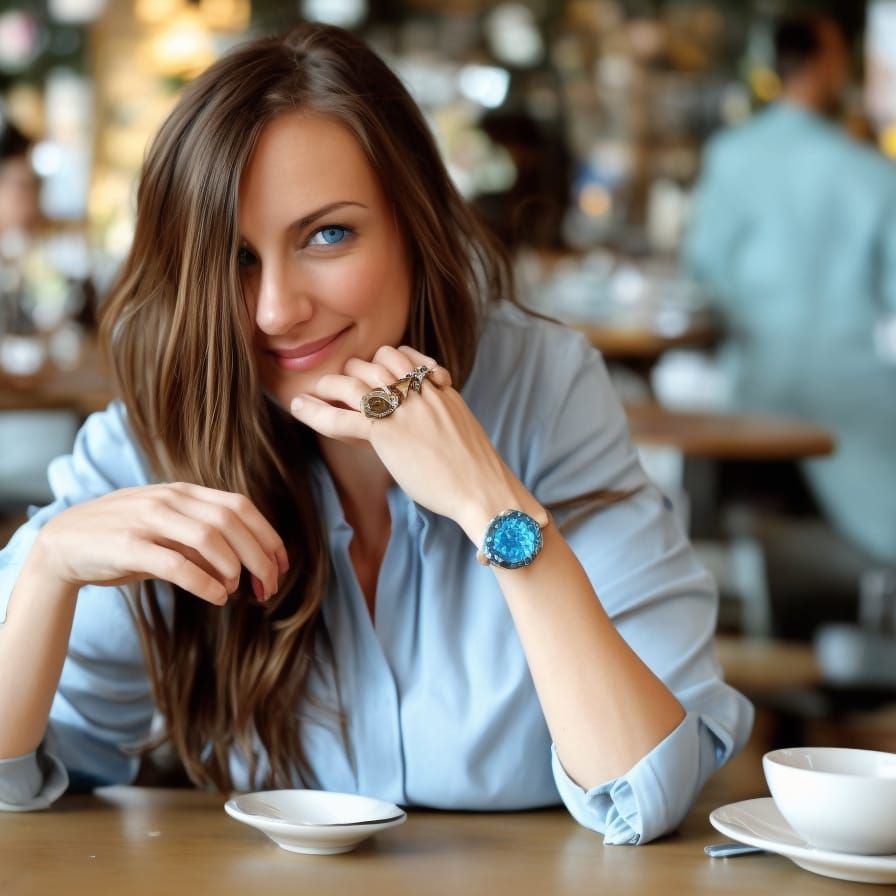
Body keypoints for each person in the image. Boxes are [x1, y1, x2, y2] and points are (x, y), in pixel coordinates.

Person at [0, 24, 751, 844]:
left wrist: (487, 501)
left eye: (328, 234)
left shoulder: (542, 386)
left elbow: (646, 785)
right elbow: (16, 768)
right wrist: (48, 568)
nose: (277, 310)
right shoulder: (167, 426)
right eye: (236, 257)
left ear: (412, 221)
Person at [685, 14, 896, 580]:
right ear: (829, 64)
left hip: (754, 395)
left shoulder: (731, 155)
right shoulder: (872, 172)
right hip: (858, 409)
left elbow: (702, 269)